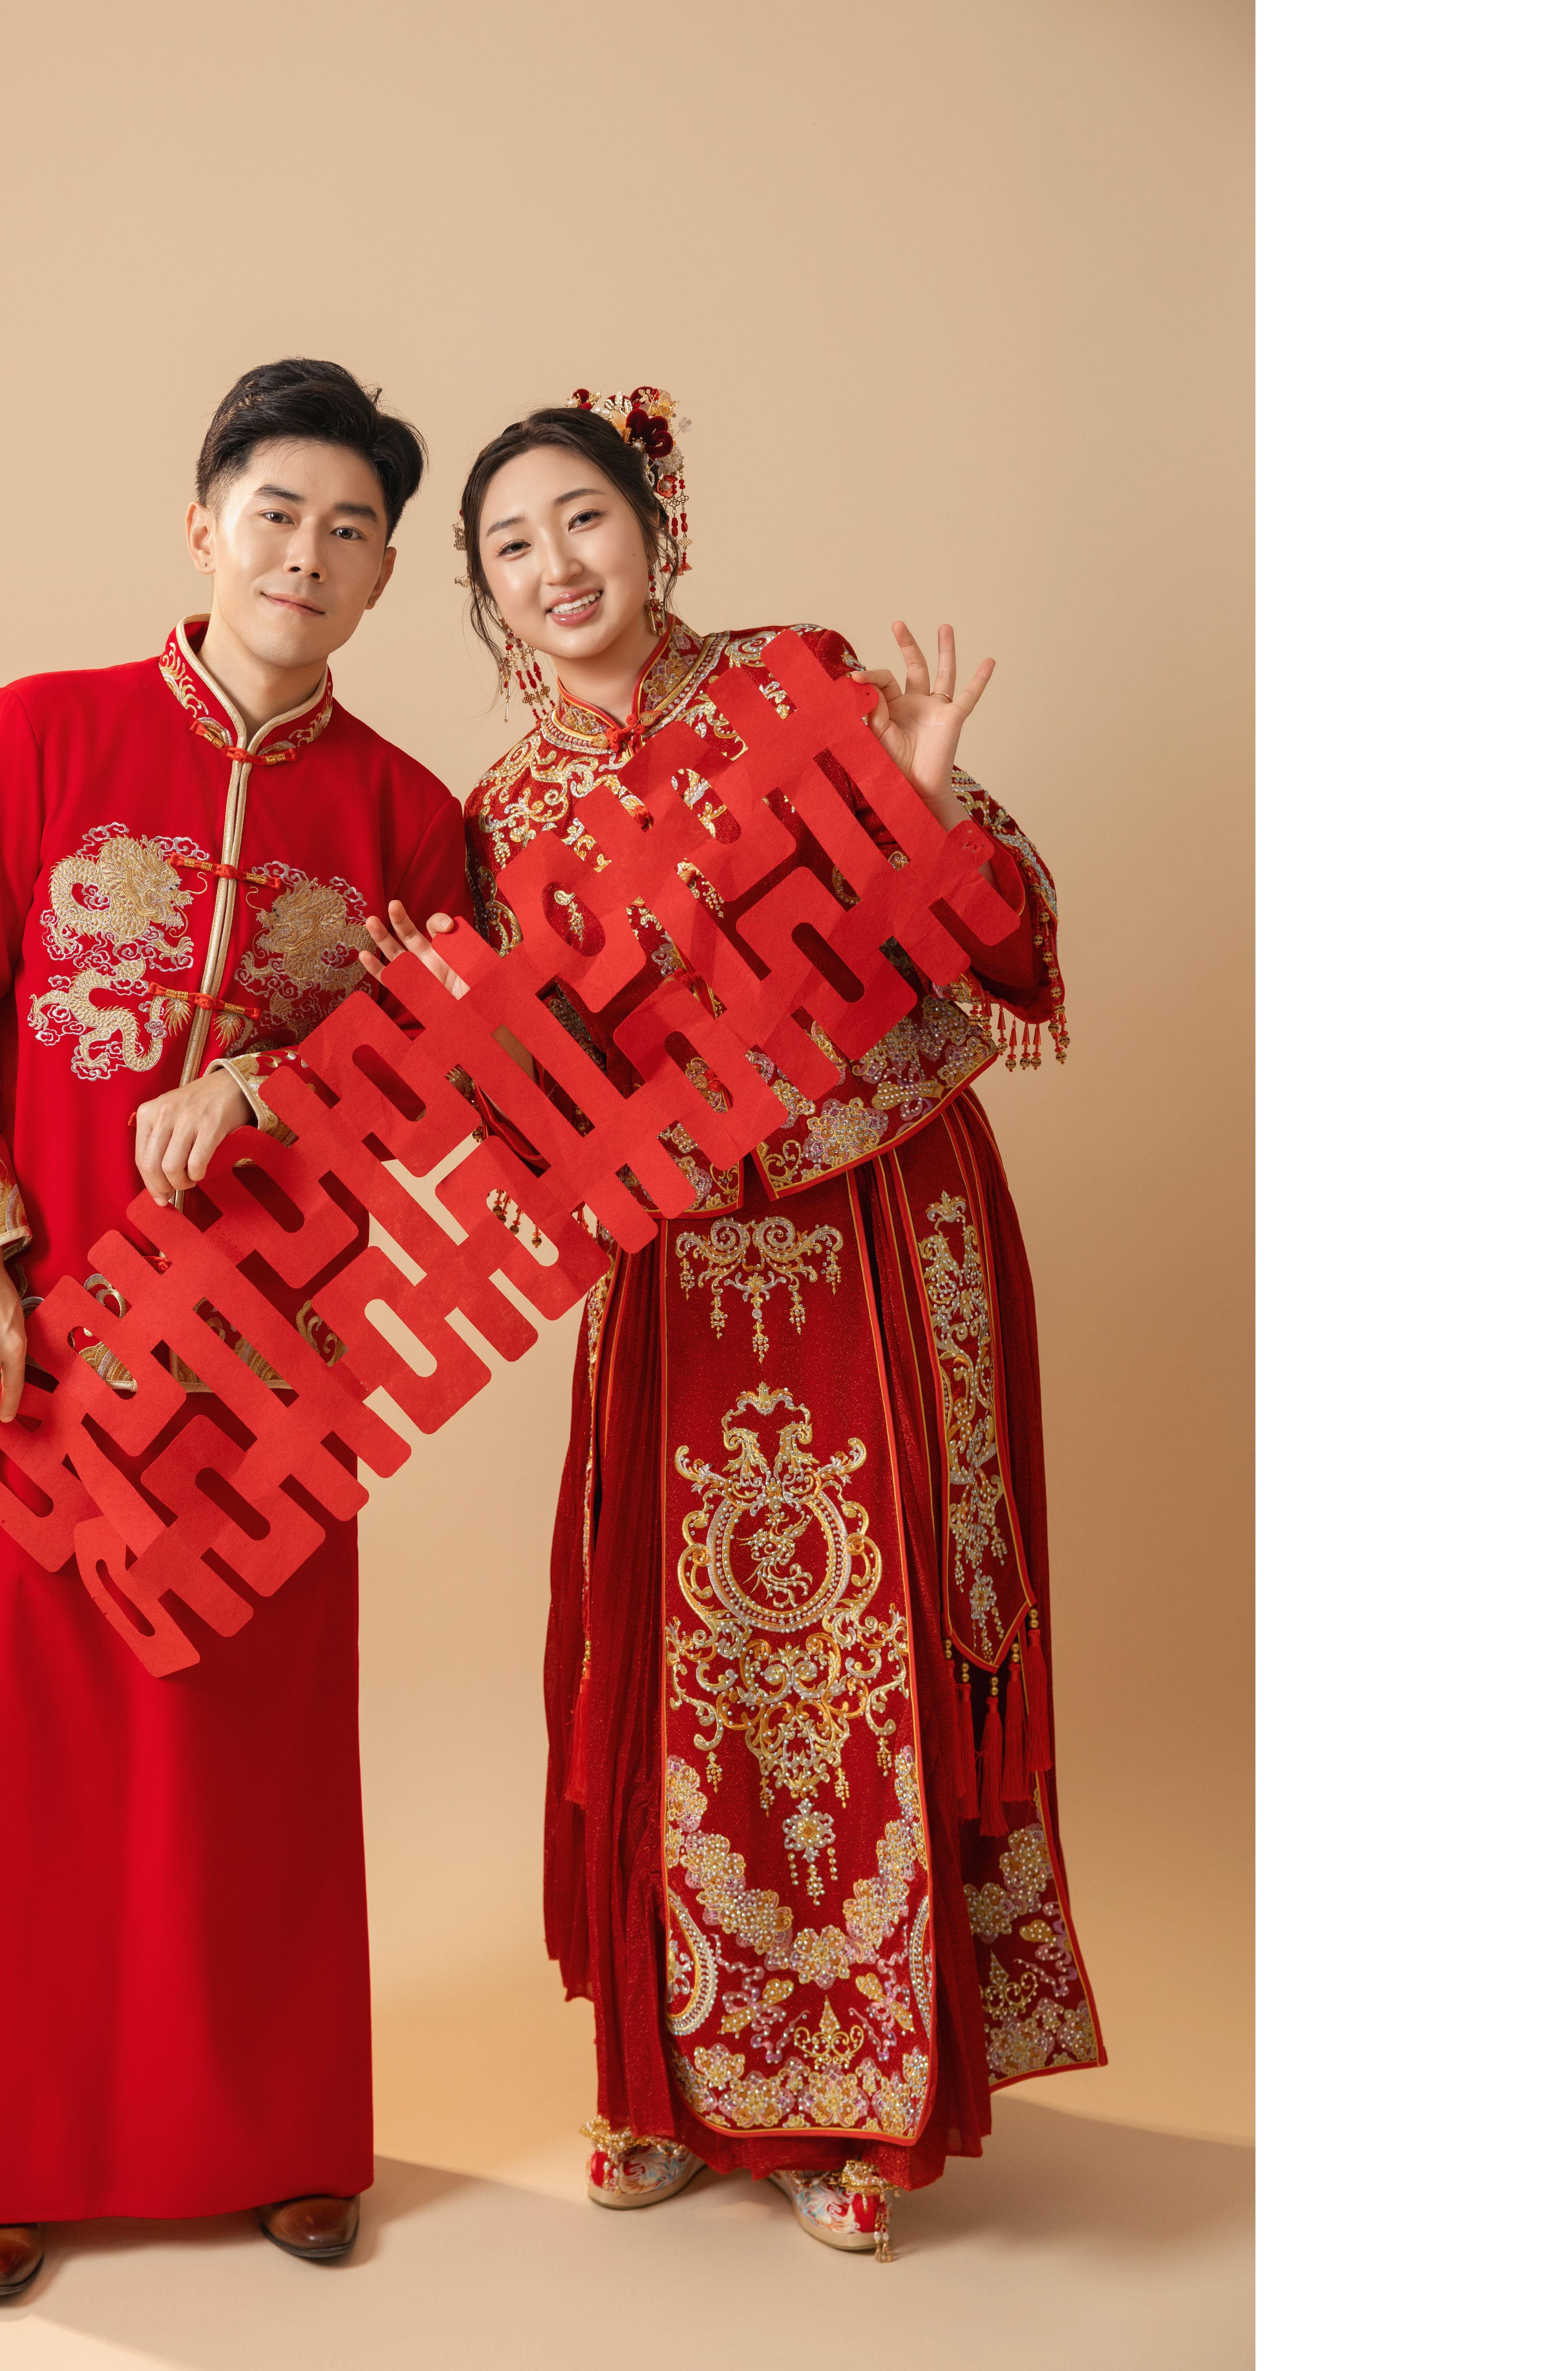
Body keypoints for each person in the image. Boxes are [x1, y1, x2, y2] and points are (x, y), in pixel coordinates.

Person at [363, 389, 1102, 2258]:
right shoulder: (497, 823)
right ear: (483, 591)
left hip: (880, 1212)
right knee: (682, 1662)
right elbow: (534, 1135)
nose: (555, 567)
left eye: (582, 521)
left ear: (654, 525)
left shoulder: (799, 686)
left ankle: (868, 2109)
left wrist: (930, 803)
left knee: (879, 1641)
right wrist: (453, 1027)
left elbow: (1015, 940)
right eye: (510, 547)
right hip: (677, 1272)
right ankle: (678, 2091)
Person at [0, 358, 469, 2297]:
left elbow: (447, 1082)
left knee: (248, 1771)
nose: (307, 554)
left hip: (265, 1372)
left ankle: (276, 2141)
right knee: (16, 1765)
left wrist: (280, 1088)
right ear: (203, 524)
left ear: (384, 578)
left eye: (351, 530)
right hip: (37, 1347)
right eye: (275, 511)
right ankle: (4, 2151)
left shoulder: (408, 816)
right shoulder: (42, 732)